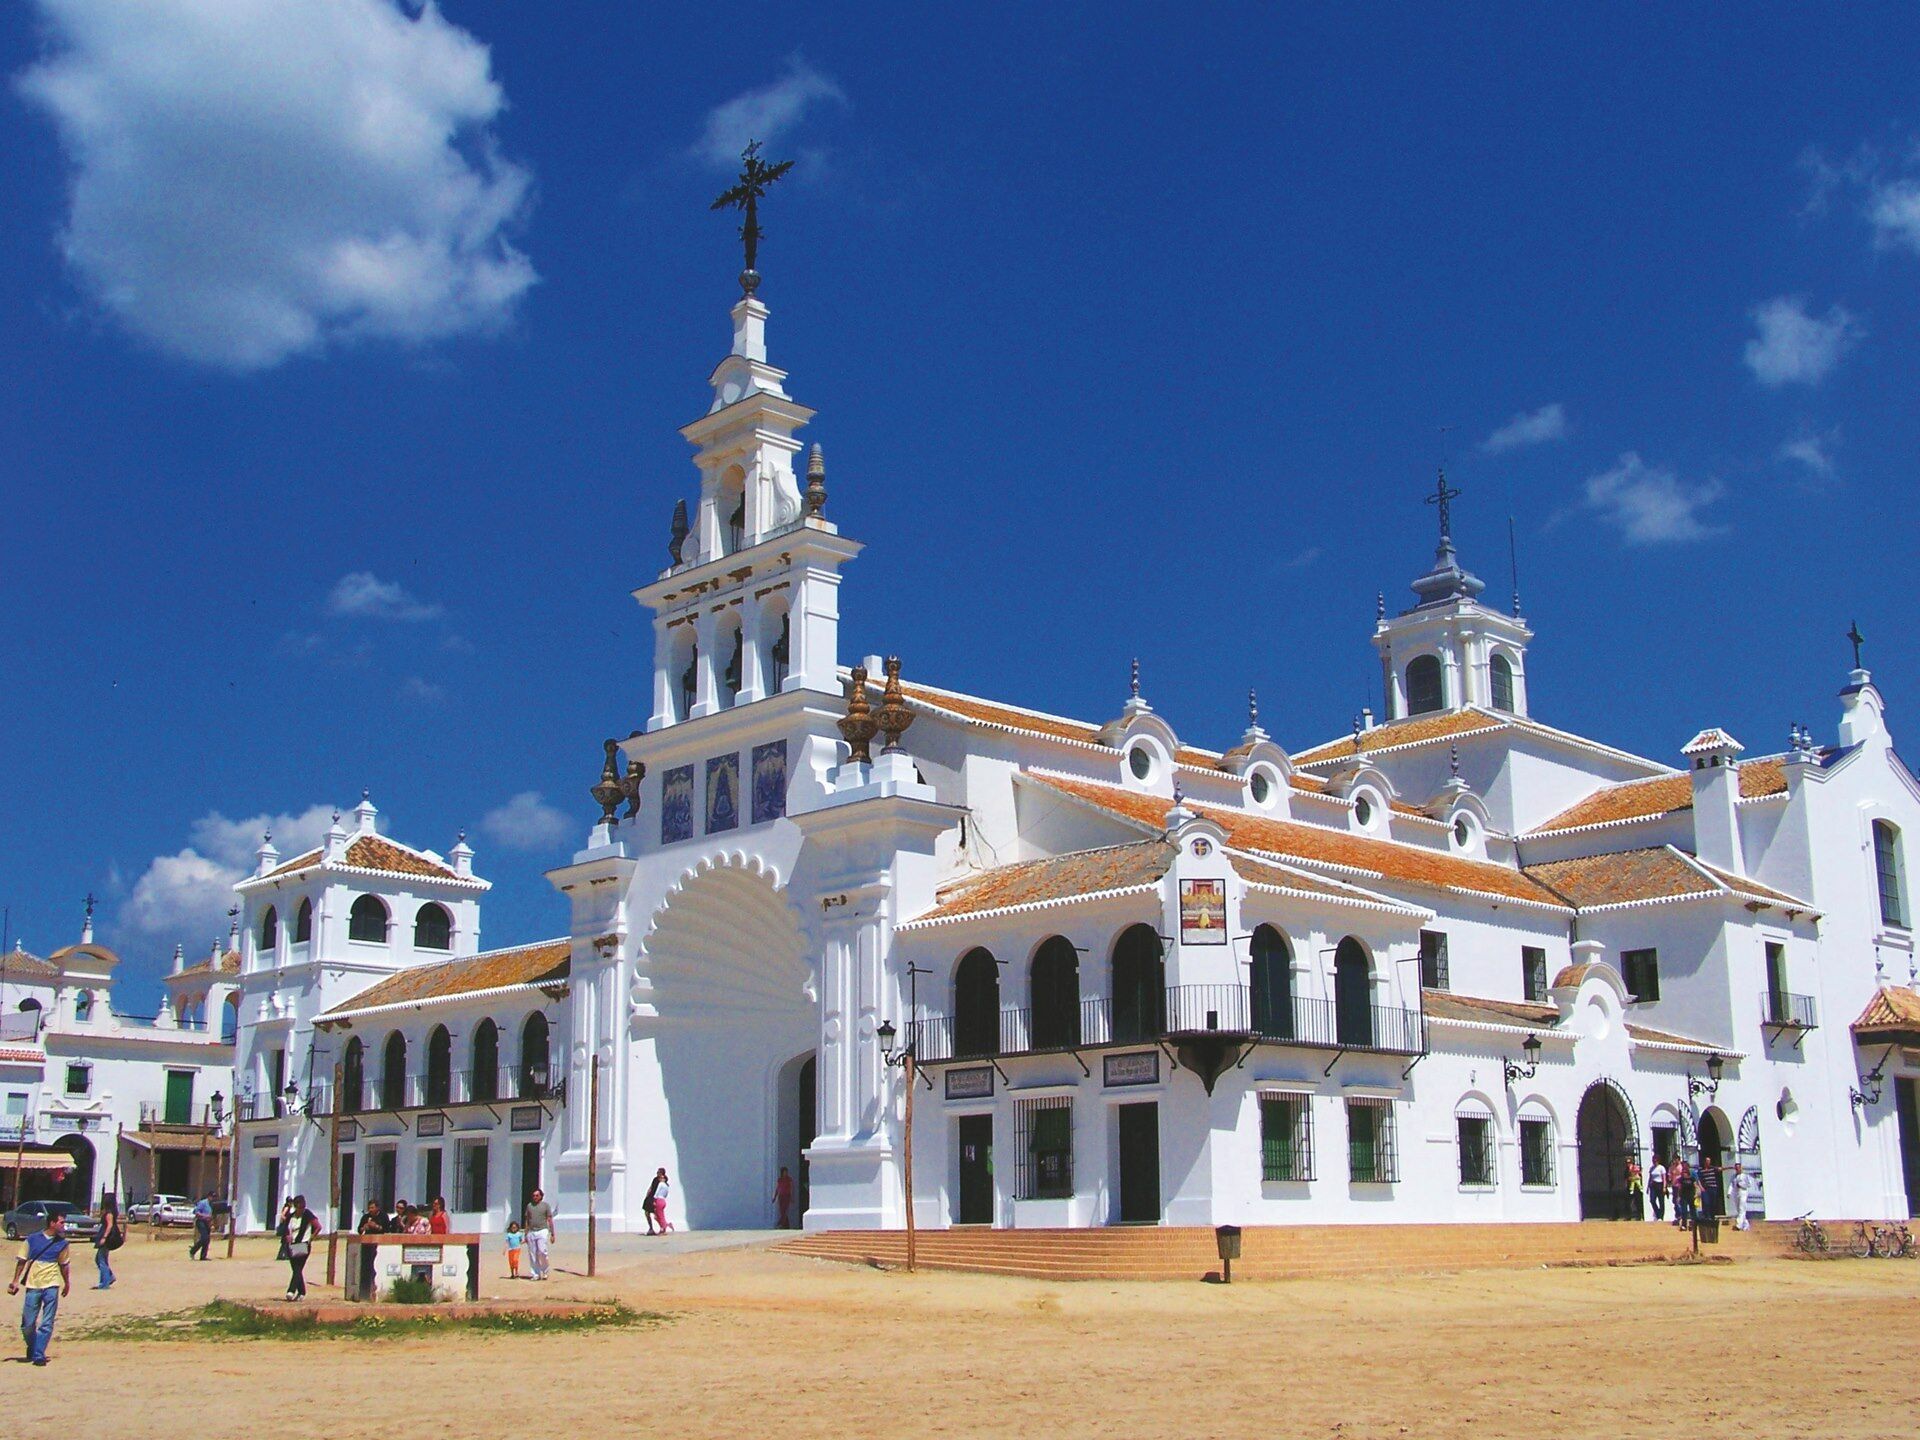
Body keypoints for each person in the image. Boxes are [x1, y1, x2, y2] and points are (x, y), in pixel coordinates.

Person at [9, 1209, 72, 1367]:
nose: (64, 1225)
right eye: (61, 1222)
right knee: (27, 1323)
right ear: (52, 1223)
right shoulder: (32, 1240)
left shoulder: (63, 1244)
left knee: (47, 1321)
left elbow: (64, 1265)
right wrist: (15, 1281)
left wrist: (67, 1283)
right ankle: (33, 1345)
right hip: (33, 1285)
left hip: (51, 1284)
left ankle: (38, 1354)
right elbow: (22, 1261)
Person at [281, 1195, 318, 1302]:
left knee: (298, 1268)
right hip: (292, 1245)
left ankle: (291, 1290)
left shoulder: (307, 1215)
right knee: (295, 1269)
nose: (301, 1209)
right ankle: (302, 1292)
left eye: (302, 1207)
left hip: (303, 1244)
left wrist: (311, 1238)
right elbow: (286, 1230)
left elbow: (318, 1226)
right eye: (299, 1207)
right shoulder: (291, 1217)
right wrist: (287, 1237)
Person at [523, 1189, 554, 1280]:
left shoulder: (545, 1206)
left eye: (537, 1195)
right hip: (531, 1231)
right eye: (533, 1195)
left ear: (541, 1196)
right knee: (532, 1253)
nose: (535, 1197)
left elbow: (549, 1219)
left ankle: (545, 1271)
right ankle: (535, 1274)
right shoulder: (529, 1206)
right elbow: (527, 1220)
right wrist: (526, 1233)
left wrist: (552, 1233)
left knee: (542, 1251)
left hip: (542, 1230)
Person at [92, 1202, 122, 1289]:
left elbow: (109, 1225)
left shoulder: (109, 1213)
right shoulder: (109, 1212)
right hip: (105, 1236)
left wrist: (104, 1237)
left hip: (106, 1238)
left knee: (101, 1260)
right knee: (99, 1259)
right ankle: (109, 1276)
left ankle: (105, 1282)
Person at [189, 1191, 214, 1261]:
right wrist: (205, 1216)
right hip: (201, 1221)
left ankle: (203, 1256)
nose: (212, 1198)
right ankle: (192, 1251)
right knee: (204, 1238)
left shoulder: (211, 1204)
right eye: (212, 1196)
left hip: (207, 1223)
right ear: (208, 1196)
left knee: (207, 1239)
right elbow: (196, 1212)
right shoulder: (203, 1203)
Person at [1731, 1163, 1755, 1230]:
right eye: (1736, 1168)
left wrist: (1741, 1185)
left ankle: (1738, 1225)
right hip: (1736, 1193)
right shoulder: (1734, 1177)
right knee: (1739, 1209)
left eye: (1738, 1168)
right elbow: (1731, 1185)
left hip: (1743, 1192)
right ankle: (1746, 1224)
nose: (1737, 1169)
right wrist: (1729, 1193)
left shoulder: (1745, 1176)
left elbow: (1749, 1184)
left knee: (1742, 1208)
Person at [650, 1169, 673, 1235]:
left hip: (659, 1200)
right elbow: (666, 1194)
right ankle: (666, 1226)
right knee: (659, 1216)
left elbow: (656, 1193)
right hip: (663, 1200)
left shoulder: (661, 1184)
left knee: (659, 1216)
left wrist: (654, 1200)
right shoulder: (666, 1186)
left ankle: (663, 1229)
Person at [642, 1170, 664, 1236]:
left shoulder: (662, 1181)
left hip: (656, 1198)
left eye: (659, 1172)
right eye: (657, 1172)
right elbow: (651, 1187)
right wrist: (647, 1195)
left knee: (656, 1214)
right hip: (650, 1197)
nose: (657, 1173)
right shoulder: (655, 1179)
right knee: (646, 1212)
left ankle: (662, 1227)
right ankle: (651, 1228)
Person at [1648, 1157, 1668, 1222]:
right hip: (1653, 1185)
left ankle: (1661, 1216)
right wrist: (1648, 1187)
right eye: (1653, 1161)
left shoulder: (1661, 1168)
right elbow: (1650, 1178)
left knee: (1661, 1201)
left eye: (1656, 1161)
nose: (1654, 1162)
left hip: (1660, 1184)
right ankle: (1658, 1214)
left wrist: (1664, 1187)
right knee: (1652, 1200)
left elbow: (1664, 1178)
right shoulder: (1651, 1168)